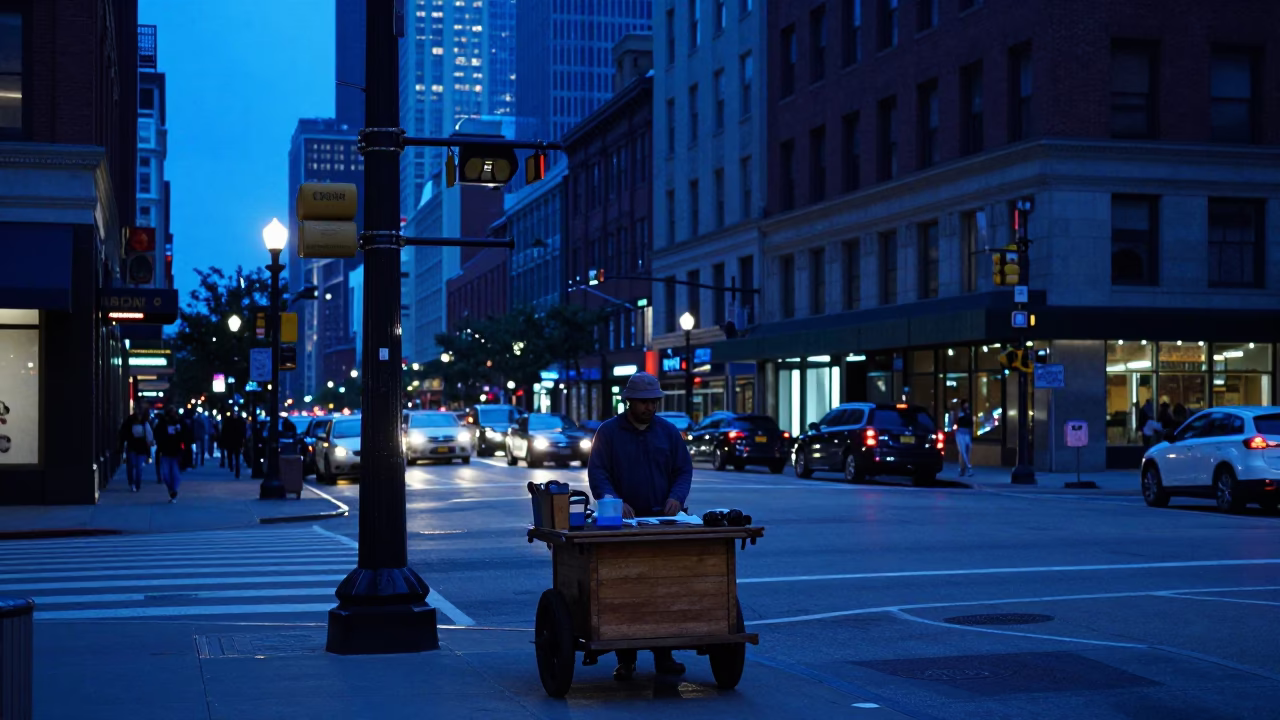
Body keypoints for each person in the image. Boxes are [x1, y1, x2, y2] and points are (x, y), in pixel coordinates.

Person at [587, 371, 694, 681]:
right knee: (626, 588)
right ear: (629, 402)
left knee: (663, 587)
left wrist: (676, 496)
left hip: (663, 522)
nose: (650, 407)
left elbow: (683, 471)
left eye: (654, 402)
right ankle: (626, 658)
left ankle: (664, 654)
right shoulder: (608, 433)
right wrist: (614, 501)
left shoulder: (669, 432)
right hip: (624, 526)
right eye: (644, 402)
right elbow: (599, 474)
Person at [153, 406, 185, 502]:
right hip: (166, 451)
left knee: (174, 473)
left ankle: (173, 490)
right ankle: (172, 490)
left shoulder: (180, 423)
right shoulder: (162, 424)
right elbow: (157, 434)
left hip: (176, 451)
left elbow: (185, 435)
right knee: (166, 474)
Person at [118, 409, 154, 492]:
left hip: (139, 448)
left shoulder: (144, 424)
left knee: (138, 467)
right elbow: (123, 434)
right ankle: (132, 483)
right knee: (132, 466)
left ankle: (136, 484)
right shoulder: (130, 424)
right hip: (133, 447)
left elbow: (149, 435)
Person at [221, 410, 246, 478]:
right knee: (234, 455)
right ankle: (234, 468)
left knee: (234, 455)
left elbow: (224, 432)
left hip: (233, 441)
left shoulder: (229, 421)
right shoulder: (240, 421)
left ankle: (234, 468)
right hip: (235, 441)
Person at [952, 399, 974, 478]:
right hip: (960, 433)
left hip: (967, 433)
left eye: (967, 404)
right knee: (963, 451)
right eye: (965, 404)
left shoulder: (968, 413)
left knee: (967, 451)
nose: (967, 406)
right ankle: (967, 468)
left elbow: (971, 424)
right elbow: (955, 422)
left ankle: (963, 469)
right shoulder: (959, 413)